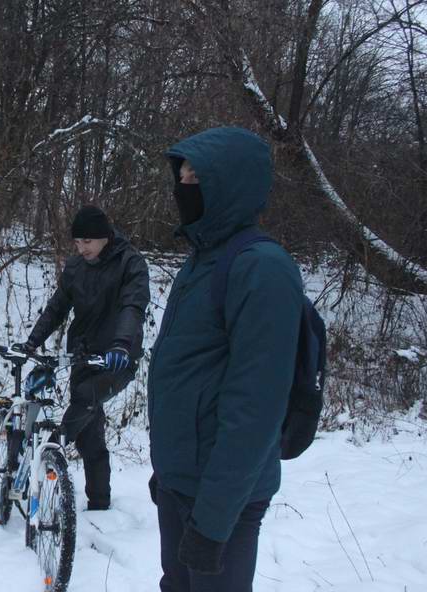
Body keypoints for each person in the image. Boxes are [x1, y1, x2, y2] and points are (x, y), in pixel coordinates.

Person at [147, 127, 303, 591]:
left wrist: (213, 521)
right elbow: (190, 374)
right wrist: (168, 472)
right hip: (184, 482)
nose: (184, 185)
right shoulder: (202, 260)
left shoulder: (262, 268)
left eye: (197, 176)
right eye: (183, 174)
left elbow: (255, 409)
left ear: (230, 184)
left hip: (224, 499)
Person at [17, 205, 150, 511]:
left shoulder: (131, 264)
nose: (82, 248)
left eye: (87, 242)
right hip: (83, 355)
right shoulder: (76, 267)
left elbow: (133, 306)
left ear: (104, 237)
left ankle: (52, 446)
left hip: (118, 358)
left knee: (84, 398)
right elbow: (57, 307)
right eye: (77, 243)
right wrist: (32, 342)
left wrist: (121, 345)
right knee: (91, 433)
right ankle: (99, 502)